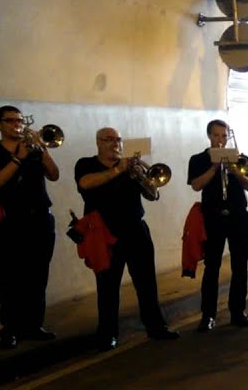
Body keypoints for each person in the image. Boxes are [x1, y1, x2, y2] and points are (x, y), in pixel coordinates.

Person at [75, 128, 180, 350]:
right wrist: (117, 170)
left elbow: (153, 195)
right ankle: (107, 333)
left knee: (146, 283)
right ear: (98, 142)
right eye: (109, 140)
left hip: (135, 230)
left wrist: (141, 176)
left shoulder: (130, 168)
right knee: (107, 286)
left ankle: (156, 326)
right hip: (105, 233)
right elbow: (85, 183)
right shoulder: (86, 164)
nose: (115, 144)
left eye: (118, 140)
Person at [0, 106, 60, 349]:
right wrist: (18, 158)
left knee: (38, 274)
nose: (16, 125)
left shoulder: (35, 150)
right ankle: (10, 329)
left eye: (20, 121)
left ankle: (34, 325)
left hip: (40, 219)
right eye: (10, 121)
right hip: (10, 220)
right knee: (12, 277)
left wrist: (41, 150)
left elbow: (54, 175)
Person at [186, 119, 248, 331]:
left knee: (240, 265)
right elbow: (196, 185)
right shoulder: (198, 159)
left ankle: (238, 311)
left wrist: (235, 171)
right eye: (216, 136)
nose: (220, 140)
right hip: (213, 217)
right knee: (212, 266)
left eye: (224, 136)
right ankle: (208, 315)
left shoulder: (241, 159)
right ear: (209, 136)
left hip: (238, 216)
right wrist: (215, 168)